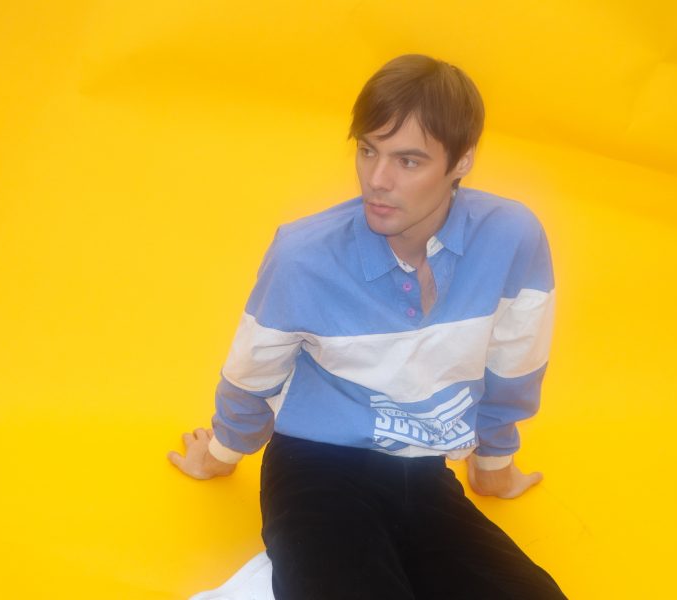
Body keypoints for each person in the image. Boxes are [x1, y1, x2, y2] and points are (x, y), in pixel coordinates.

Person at [168, 54, 566, 599]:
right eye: (368, 150)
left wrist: (493, 460)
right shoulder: (304, 255)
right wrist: (220, 454)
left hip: (424, 472)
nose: (377, 180)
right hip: (315, 466)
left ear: (462, 161)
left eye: (408, 160)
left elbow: (514, 364)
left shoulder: (511, 238)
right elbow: (253, 372)